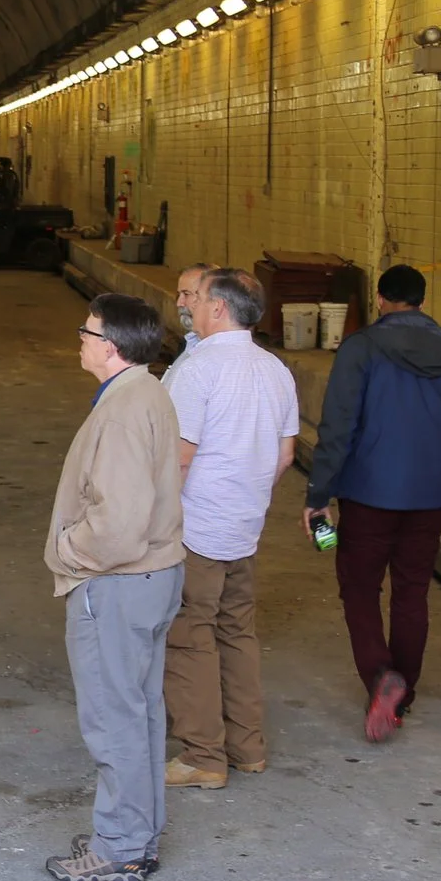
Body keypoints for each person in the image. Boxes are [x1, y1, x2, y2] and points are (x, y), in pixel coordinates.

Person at [42, 295, 186, 881]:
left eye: (87, 331)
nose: (80, 339)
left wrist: (67, 551)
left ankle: (122, 845)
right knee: (140, 711)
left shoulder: (125, 410)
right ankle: (137, 831)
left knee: (113, 718)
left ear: (111, 346)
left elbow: (120, 526)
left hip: (119, 583)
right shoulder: (146, 391)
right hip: (154, 576)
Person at [303, 264, 441, 743]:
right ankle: (404, 693)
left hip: (371, 491)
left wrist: (318, 495)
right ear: (421, 299)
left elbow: (338, 425)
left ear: (380, 299)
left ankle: (381, 677)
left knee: (359, 587)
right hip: (431, 490)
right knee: (412, 591)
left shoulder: (362, 347)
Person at [163, 268, 299, 788]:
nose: (190, 306)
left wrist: (156, 519)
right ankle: (248, 748)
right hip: (244, 527)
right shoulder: (275, 370)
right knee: (237, 632)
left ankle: (203, 756)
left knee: (190, 636)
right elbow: (285, 455)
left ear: (218, 308)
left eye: (197, 299)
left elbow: (179, 456)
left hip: (195, 526)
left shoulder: (199, 369)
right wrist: (248, 495)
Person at [160, 263, 214, 379]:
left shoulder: (219, 354)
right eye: (178, 295)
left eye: (186, 294)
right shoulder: (188, 342)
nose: (179, 303)